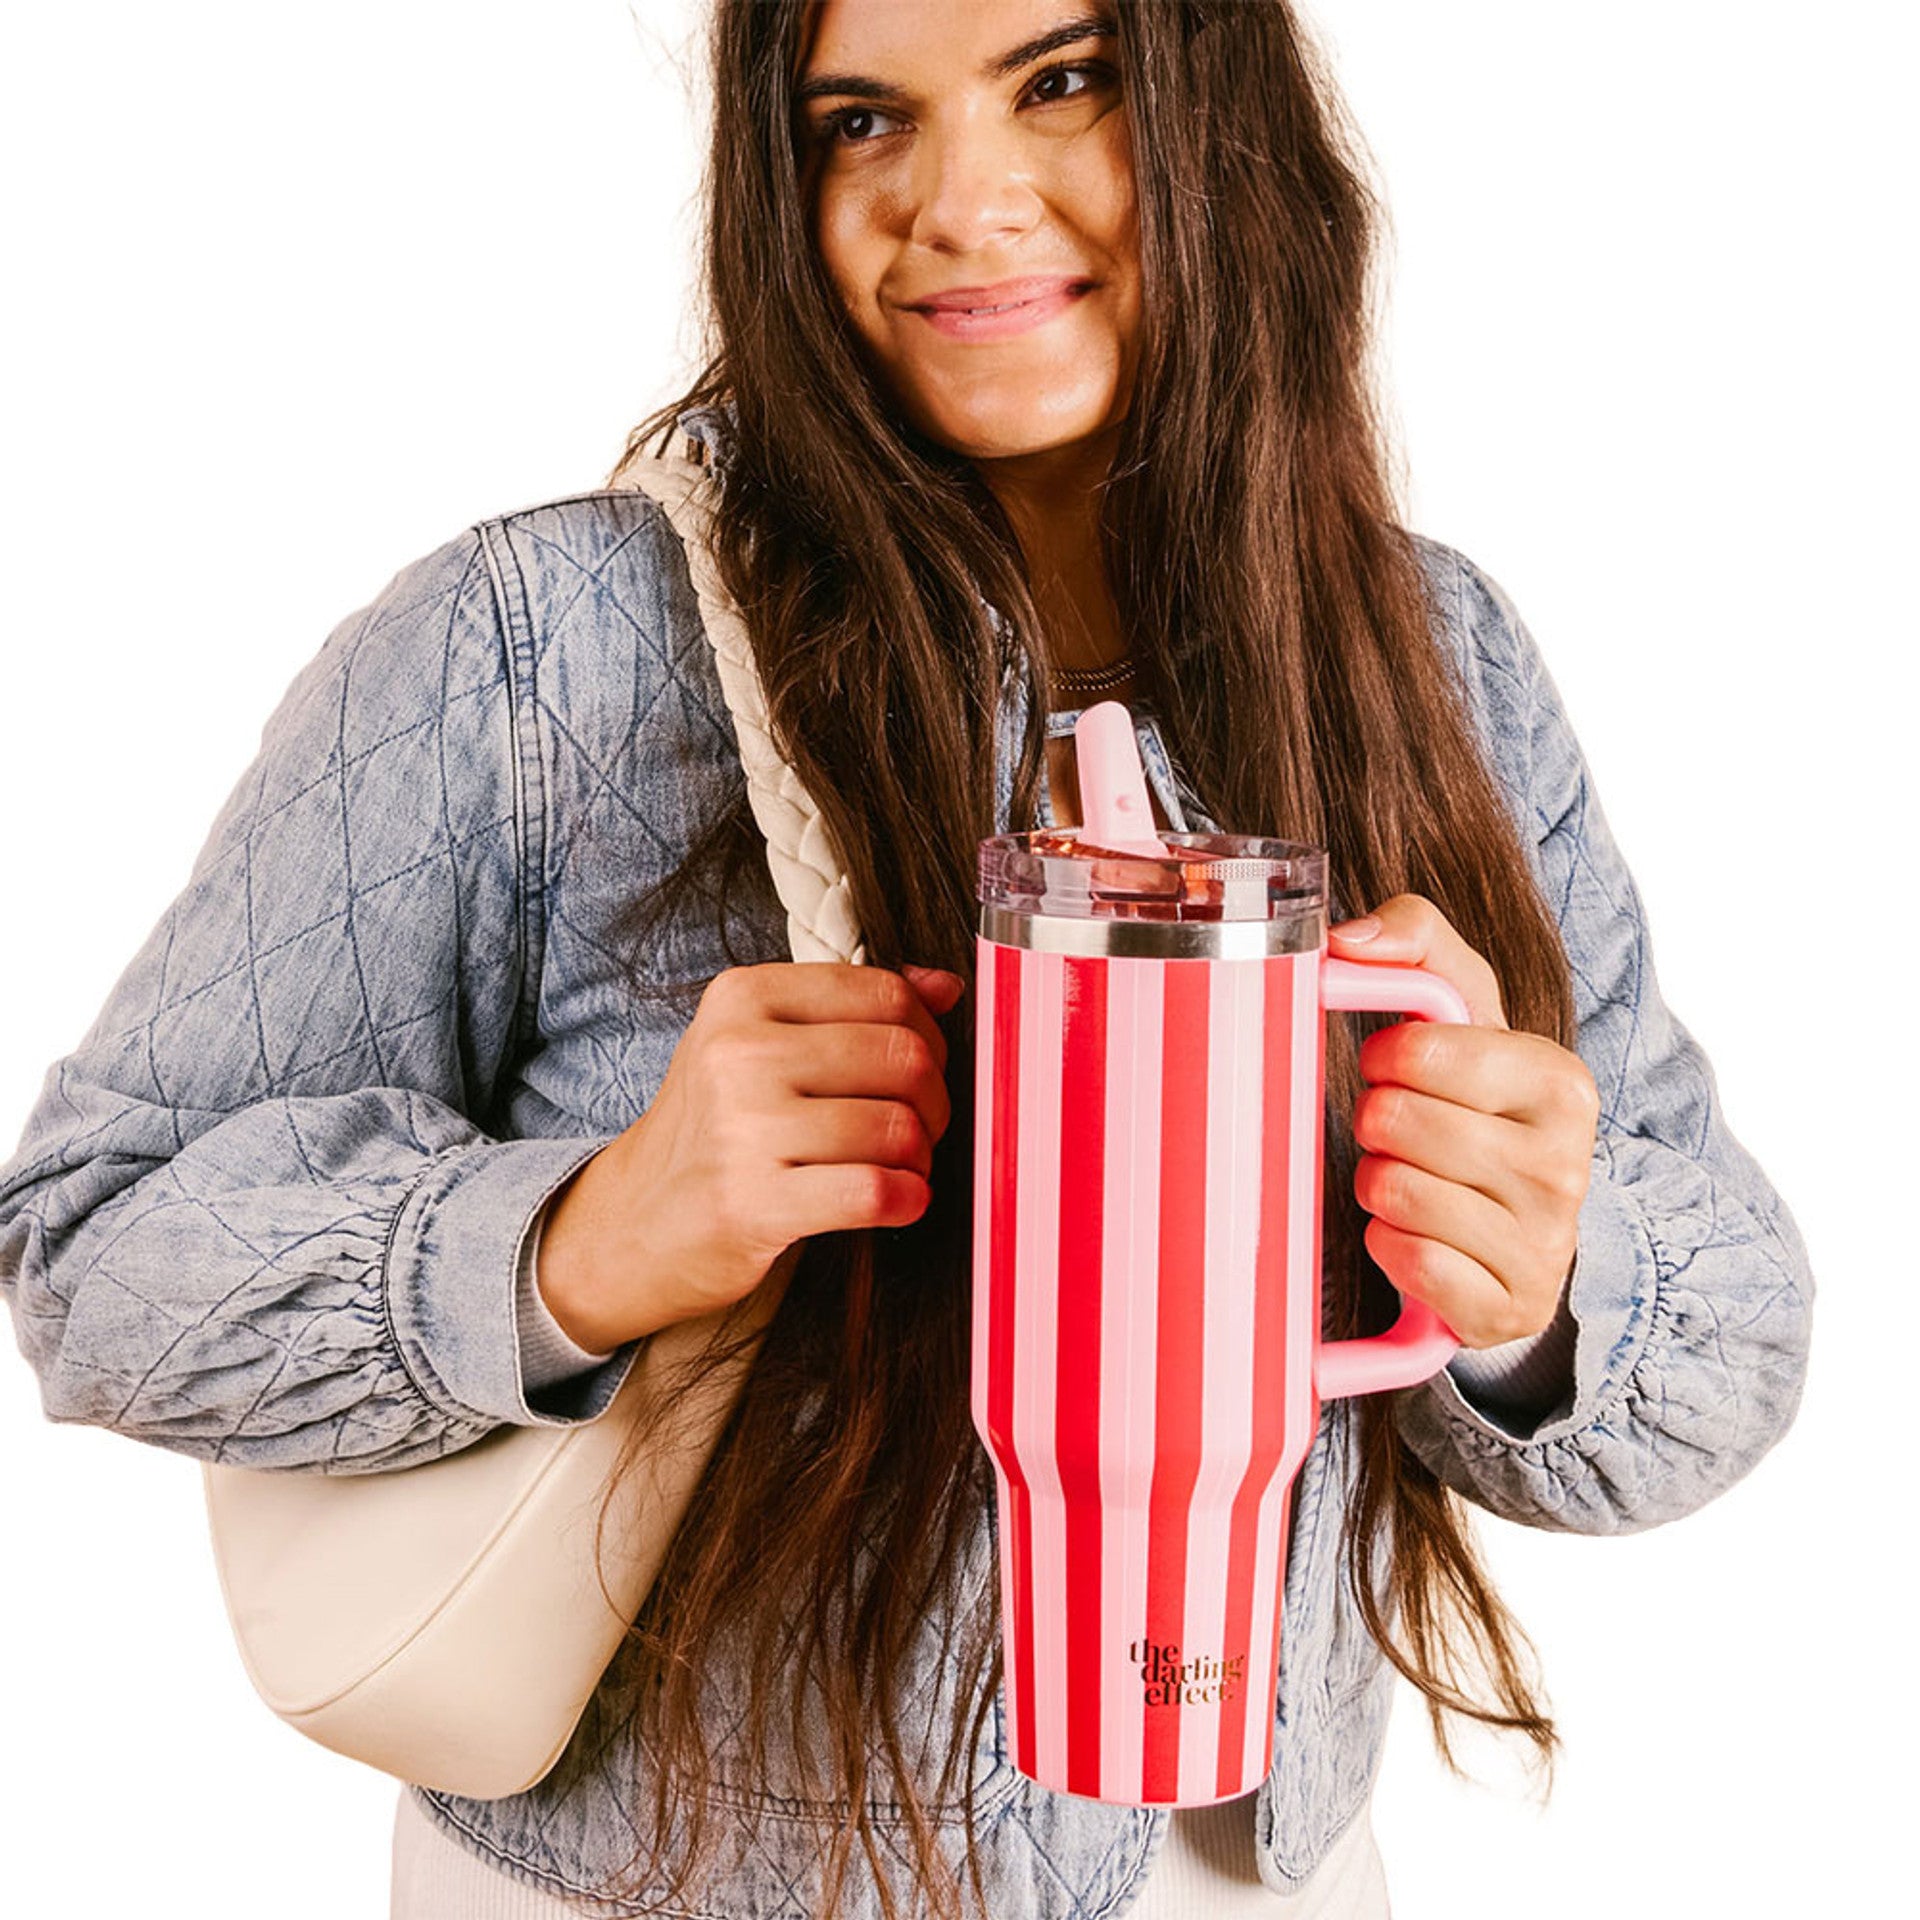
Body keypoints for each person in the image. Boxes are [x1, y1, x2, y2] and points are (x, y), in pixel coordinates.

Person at [0, 1, 1813, 1916]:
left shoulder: (1430, 657)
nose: (959, 201)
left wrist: (1535, 1282)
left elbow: (1736, 1351)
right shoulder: (538, 650)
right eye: (861, 120)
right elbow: (86, 1241)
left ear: (1223, 114)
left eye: (1063, 81)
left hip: (1257, 1879)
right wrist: (585, 1243)